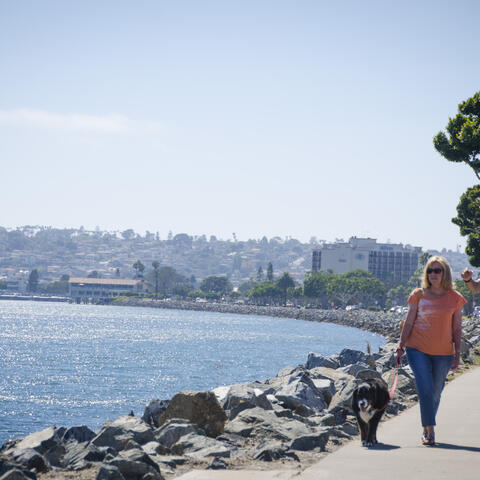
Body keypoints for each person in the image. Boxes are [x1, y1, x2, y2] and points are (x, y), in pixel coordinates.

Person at [394, 256, 465, 446]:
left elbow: (457, 328)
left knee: (435, 392)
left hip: (444, 353)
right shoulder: (418, 295)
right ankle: (430, 430)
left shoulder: (455, 298)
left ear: (445, 273)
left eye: (437, 270)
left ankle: (426, 426)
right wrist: (400, 345)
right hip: (417, 349)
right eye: (430, 271)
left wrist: (457, 354)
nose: (433, 274)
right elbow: (408, 321)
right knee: (425, 389)